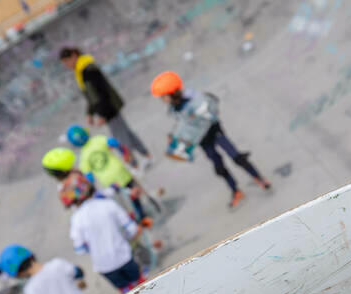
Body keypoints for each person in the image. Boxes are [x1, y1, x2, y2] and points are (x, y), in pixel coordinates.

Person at [150, 71, 272, 208]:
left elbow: (210, 108)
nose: (162, 100)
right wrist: (176, 137)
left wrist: (197, 117)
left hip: (214, 131)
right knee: (218, 166)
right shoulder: (174, 108)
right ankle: (235, 191)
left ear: (172, 92)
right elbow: (184, 125)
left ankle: (259, 178)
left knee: (236, 156)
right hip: (203, 140)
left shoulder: (193, 98)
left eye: (163, 96)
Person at [58, 46, 152, 168]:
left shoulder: (87, 69)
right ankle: (146, 155)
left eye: (67, 61)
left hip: (109, 107)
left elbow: (101, 92)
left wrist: (102, 114)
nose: (66, 65)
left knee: (120, 137)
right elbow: (90, 95)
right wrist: (90, 113)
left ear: (74, 56)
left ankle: (134, 165)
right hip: (107, 107)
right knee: (126, 133)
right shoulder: (80, 71)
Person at [60, 171, 145, 294]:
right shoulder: (108, 204)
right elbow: (132, 230)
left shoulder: (76, 219)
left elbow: (80, 250)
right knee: (142, 285)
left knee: (127, 293)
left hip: (104, 266)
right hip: (123, 257)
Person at [64, 124, 151, 225]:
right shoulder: (98, 139)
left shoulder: (83, 158)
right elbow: (114, 143)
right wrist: (124, 153)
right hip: (120, 172)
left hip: (109, 182)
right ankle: (142, 215)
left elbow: (90, 178)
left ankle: (131, 221)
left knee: (121, 202)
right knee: (133, 194)